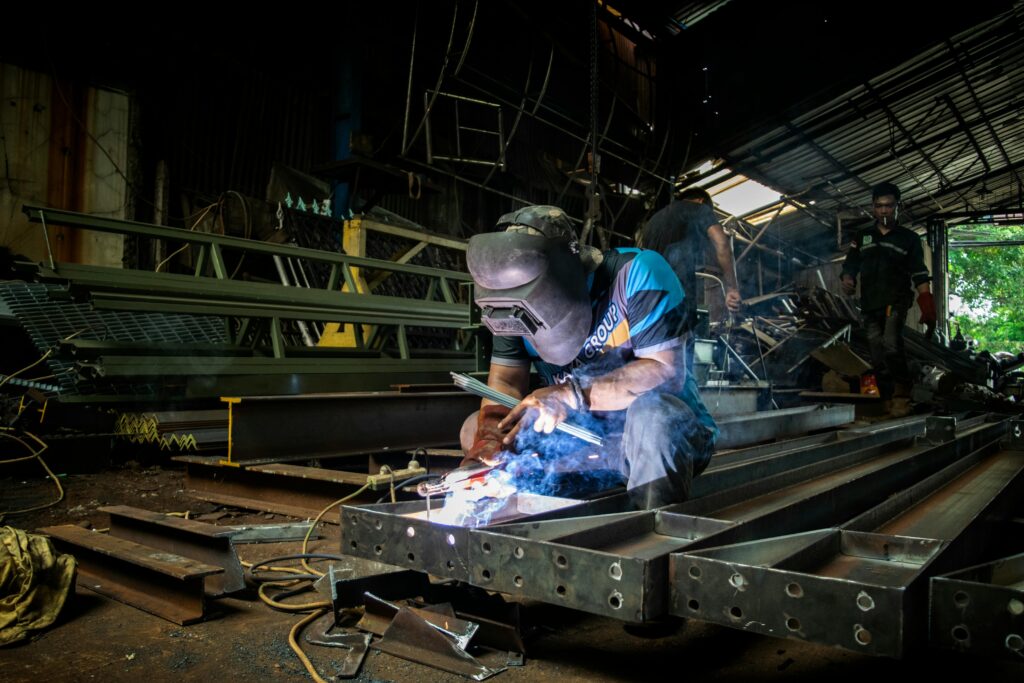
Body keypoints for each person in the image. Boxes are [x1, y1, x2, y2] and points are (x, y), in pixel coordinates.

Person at [460, 205, 717, 509]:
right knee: (473, 425)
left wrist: (568, 396)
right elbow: (504, 381)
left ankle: (653, 532)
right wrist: (490, 438)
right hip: (578, 442)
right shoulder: (510, 303)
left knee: (654, 418)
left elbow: (665, 372)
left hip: (652, 441)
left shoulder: (635, 272)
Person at [640, 186, 742, 388]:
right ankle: (688, 409)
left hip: (647, 300)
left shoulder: (652, 223)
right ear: (701, 201)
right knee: (682, 366)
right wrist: (732, 288)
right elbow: (722, 243)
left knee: (653, 362)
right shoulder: (699, 209)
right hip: (678, 298)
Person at [840, 181, 935, 399]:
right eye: (879, 206)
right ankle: (885, 391)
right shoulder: (863, 236)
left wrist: (927, 304)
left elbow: (919, 272)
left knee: (891, 343)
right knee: (875, 348)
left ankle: (902, 387)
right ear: (873, 207)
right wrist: (848, 279)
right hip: (870, 302)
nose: (883, 210)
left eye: (889, 206)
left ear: (897, 207)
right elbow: (851, 264)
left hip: (897, 300)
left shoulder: (909, 239)